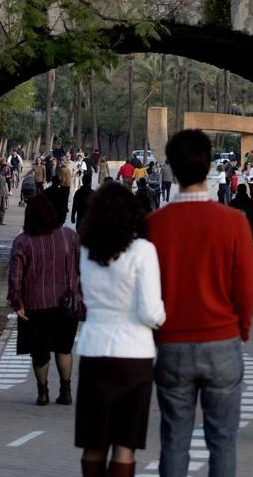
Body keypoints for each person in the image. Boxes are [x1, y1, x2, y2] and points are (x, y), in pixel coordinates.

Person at [147, 129, 253, 477]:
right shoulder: (234, 223)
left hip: (172, 343)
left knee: (175, 440)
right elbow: (246, 288)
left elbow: (147, 290)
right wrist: (242, 329)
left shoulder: (153, 225)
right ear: (210, 166)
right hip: (222, 341)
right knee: (222, 441)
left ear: (172, 170)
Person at [75, 181, 165, 477]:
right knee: (125, 443)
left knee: (94, 440)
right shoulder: (143, 251)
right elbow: (150, 311)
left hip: (93, 349)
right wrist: (163, 318)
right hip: (133, 354)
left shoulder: (86, 251)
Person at [7, 194, 81, 407]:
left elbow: (16, 275)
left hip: (35, 304)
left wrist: (17, 301)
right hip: (66, 303)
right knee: (64, 348)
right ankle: (66, 391)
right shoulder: (69, 236)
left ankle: (43, 392)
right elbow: (80, 265)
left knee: (39, 351)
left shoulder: (23, 241)